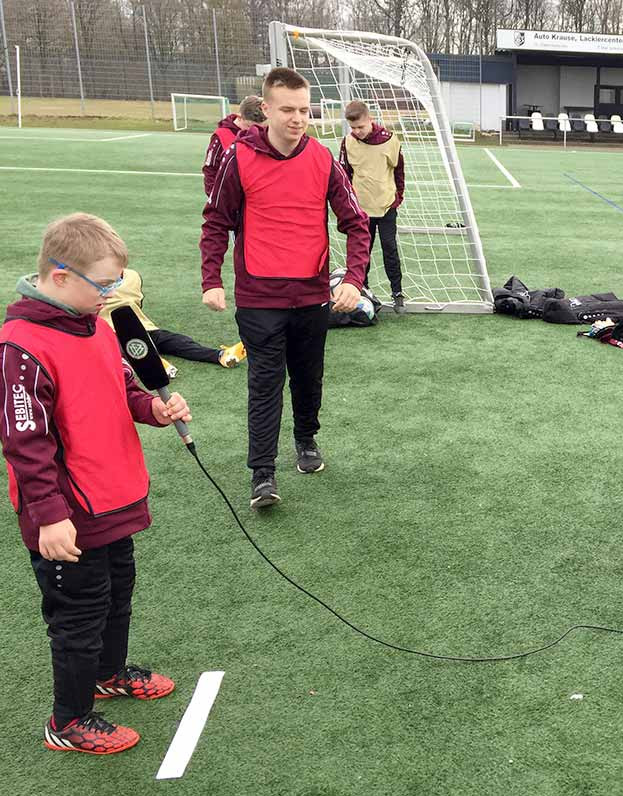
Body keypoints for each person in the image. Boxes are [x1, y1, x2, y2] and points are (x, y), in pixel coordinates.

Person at [0, 213, 192, 755]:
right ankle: (68, 720)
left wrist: (153, 408)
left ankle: (108, 675)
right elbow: (25, 442)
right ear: (60, 276)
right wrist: (48, 513)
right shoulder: (21, 346)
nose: (109, 295)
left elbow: (122, 390)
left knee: (117, 595)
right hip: (68, 514)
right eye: (102, 285)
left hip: (113, 499)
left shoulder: (96, 327)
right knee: (78, 615)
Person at [201, 67, 369, 509]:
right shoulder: (238, 157)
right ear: (267, 109)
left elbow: (356, 223)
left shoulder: (322, 159)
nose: (298, 118)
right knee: (265, 382)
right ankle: (262, 473)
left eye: (305, 110)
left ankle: (306, 439)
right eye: (288, 110)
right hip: (259, 298)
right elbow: (216, 220)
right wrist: (211, 280)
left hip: (313, 296)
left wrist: (353, 279)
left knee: (308, 377)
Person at [99, 267, 244, 372]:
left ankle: (156, 362)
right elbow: (138, 302)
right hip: (137, 328)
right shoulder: (133, 276)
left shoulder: (92, 282)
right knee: (177, 342)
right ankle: (218, 355)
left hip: (128, 331)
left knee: (173, 342)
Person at [338, 100, 406, 312]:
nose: (357, 131)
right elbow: (344, 176)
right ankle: (363, 293)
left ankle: (397, 293)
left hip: (386, 207)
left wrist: (397, 198)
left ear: (370, 120)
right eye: (353, 128)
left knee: (390, 250)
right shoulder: (348, 142)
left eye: (361, 127)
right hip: (360, 211)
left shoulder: (390, 140)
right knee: (361, 253)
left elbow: (399, 171)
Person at [202, 95, 265, 197]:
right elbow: (210, 170)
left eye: (260, 128)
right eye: (249, 127)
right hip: (230, 198)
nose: (254, 132)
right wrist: (216, 199)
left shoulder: (264, 133)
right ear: (239, 117)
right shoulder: (221, 136)